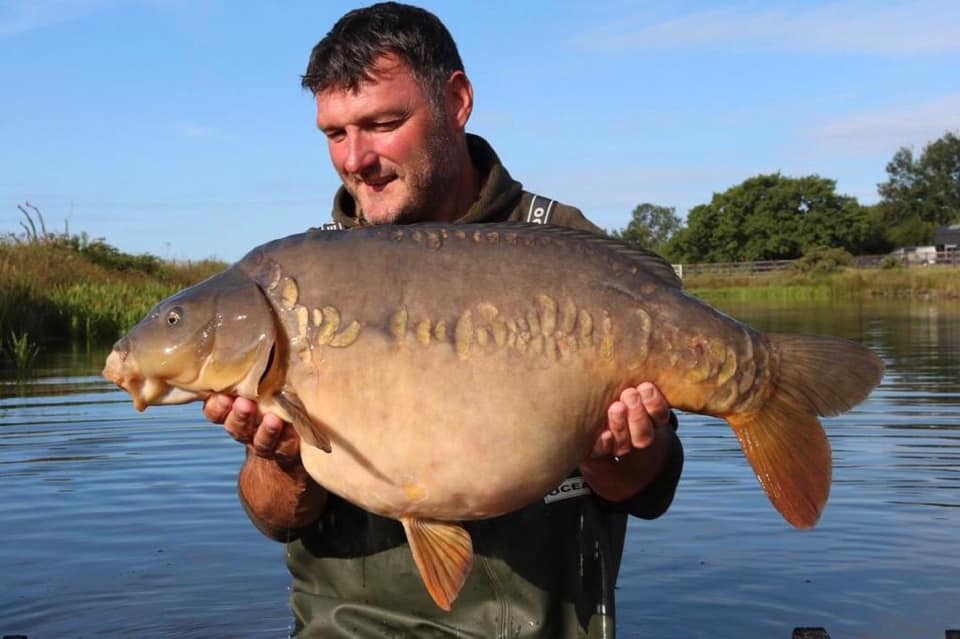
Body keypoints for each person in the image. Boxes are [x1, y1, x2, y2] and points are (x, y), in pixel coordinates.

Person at [203, 3, 684, 637]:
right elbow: (278, 519)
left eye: (383, 123)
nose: (355, 159)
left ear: (456, 101)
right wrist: (282, 459)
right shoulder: (293, 289)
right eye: (334, 134)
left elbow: (647, 490)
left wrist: (610, 452)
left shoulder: (568, 250)